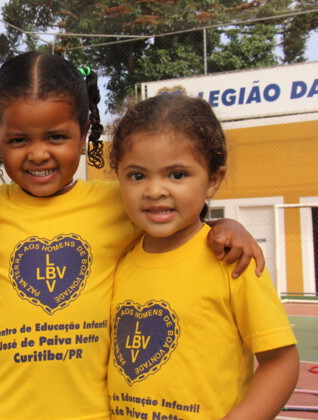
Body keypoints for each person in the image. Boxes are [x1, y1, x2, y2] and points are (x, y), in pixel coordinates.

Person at [0, 52, 265, 420]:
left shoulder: (118, 203)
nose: (38, 153)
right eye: (19, 139)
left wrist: (223, 226)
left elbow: (177, 221)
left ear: (85, 130)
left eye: (56, 136)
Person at [107, 94, 299, 419]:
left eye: (177, 175)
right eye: (137, 175)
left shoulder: (232, 259)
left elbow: (280, 361)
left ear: (213, 180)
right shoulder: (118, 256)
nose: (155, 190)